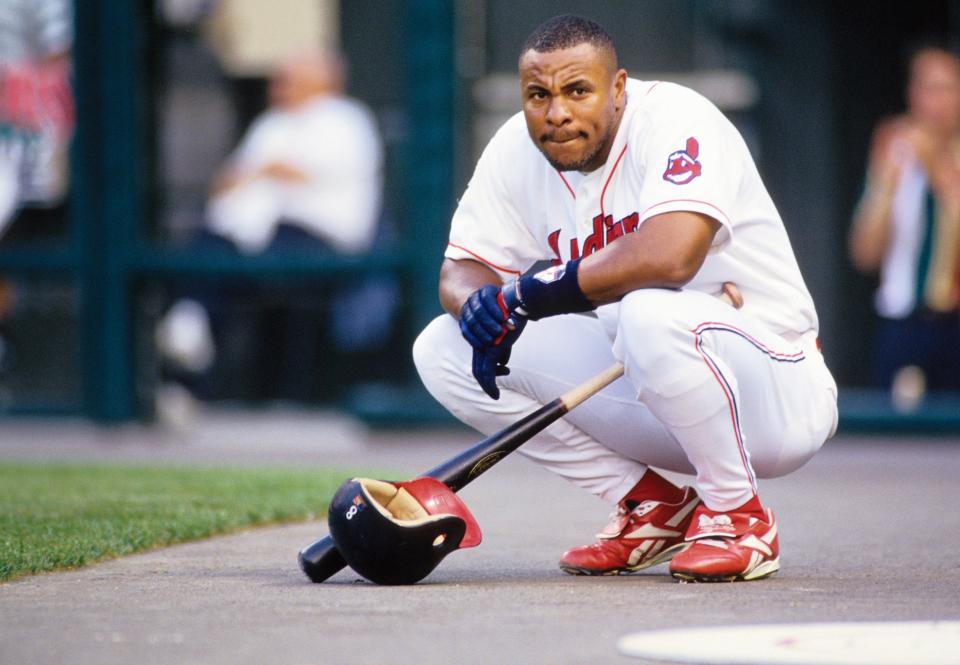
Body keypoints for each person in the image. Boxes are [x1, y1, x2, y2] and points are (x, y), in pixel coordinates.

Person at [412, 15, 837, 583]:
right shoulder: (516, 147)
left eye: (577, 90)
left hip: (775, 392)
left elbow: (670, 256)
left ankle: (739, 516)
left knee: (648, 309)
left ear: (618, 90)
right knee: (442, 347)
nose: (556, 112)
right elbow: (461, 268)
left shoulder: (676, 119)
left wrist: (530, 293)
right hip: (653, 384)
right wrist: (477, 305)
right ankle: (652, 507)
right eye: (538, 95)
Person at [157, 47, 387, 402]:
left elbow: (296, 172)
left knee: (222, 262)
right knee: (206, 245)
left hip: (321, 243)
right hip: (254, 236)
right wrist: (264, 171)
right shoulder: (272, 123)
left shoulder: (348, 119)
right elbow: (227, 182)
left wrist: (264, 172)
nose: (280, 85)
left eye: (290, 77)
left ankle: (187, 336)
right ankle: (188, 356)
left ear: (322, 79)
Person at [849, 45, 960, 395]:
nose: (936, 101)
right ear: (912, 94)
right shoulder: (894, 152)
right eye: (928, 88)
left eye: (946, 88)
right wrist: (885, 184)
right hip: (901, 323)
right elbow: (864, 254)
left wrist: (937, 170)